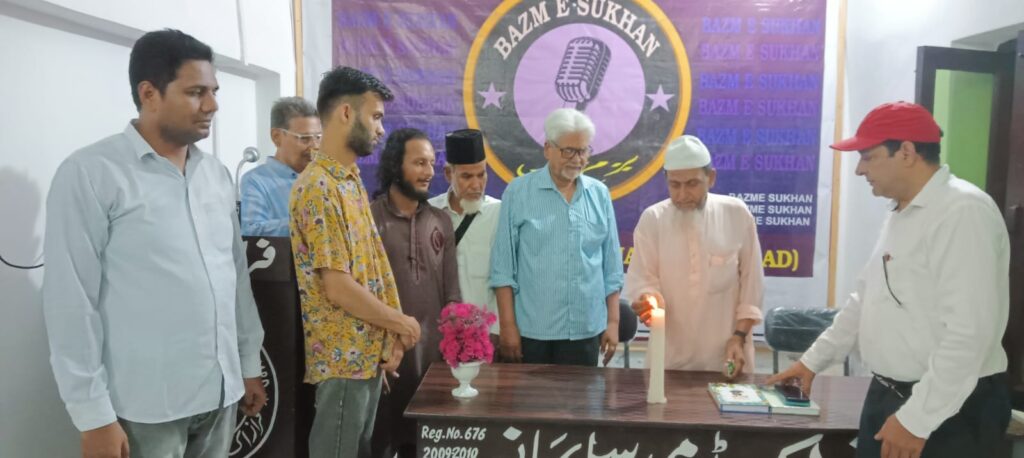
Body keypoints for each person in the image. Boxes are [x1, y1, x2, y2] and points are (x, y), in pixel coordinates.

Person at [42, 29, 266, 458]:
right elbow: (70, 302)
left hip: (220, 394)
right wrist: (93, 415)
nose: (212, 105)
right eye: (196, 92)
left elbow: (235, 279)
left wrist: (247, 364)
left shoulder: (215, 175)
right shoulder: (92, 173)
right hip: (146, 406)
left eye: (214, 91)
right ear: (149, 94)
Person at [767, 101, 1011, 458]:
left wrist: (916, 420)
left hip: (949, 409)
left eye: (868, 157)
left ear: (907, 152)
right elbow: (864, 300)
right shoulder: (902, 212)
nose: (859, 170)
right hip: (889, 396)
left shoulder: (963, 212)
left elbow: (970, 333)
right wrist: (811, 362)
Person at [289, 66, 421, 458]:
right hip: (344, 362)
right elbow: (338, 287)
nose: (381, 129)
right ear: (346, 113)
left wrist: (387, 335)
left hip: (365, 357)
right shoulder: (318, 187)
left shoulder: (347, 179)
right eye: (375, 116)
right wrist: (400, 323)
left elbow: (371, 268)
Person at [490, 108, 624, 367]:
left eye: (583, 151)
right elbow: (503, 269)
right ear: (547, 149)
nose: (577, 159)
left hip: (585, 330)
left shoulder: (599, 194)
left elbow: (612, 267)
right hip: (532, 332)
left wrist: (613, 322)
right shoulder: (519, 192)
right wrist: (507, 326)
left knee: (582, 395)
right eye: (568, 151)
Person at [624, 135, 764, 377]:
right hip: (669, 358)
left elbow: (752, 285)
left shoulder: (736, 214)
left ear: (711, 178)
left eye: (692, 184)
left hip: (727, 355)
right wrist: (647, 298)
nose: (682, 194)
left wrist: (739, 337)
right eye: (674, 185)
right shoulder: (653, 219)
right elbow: (643, 279)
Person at [369, 128, 461, 458]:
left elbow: (452, 291)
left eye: (432, 163)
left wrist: (456, 352)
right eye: (420, 163)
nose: (429, 172)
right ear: (396, 165)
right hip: (385, 361)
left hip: (433, 364)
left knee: (424, 447)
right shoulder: (369, 218)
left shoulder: (440, 221)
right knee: (379, 443)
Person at [428, 129, 502, 343]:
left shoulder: (499, 213)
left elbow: (506, 279)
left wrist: (499, 331)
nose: (476, 185)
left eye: (481, 174)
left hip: (486, 336)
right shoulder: (429, 213)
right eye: (467, 176)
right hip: (440, 336)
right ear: (448, 174)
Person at [240, 96, 321, 236]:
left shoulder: (321, 178)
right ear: (276, 136)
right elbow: (252, 231)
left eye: (318, 137)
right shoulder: (256, 181)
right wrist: (305, 222)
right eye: (305, 138)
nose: (314, 146)